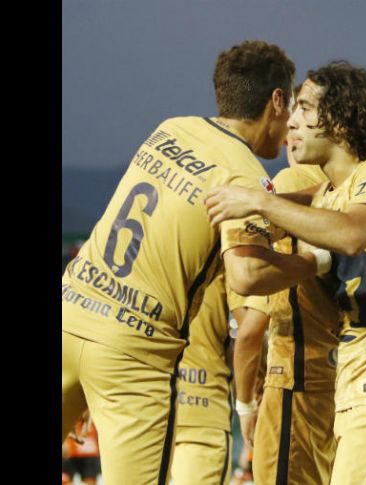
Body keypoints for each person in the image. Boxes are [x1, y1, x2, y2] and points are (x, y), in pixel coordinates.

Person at [62, 39, 300, 484]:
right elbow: (246, 275)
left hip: (71, 311)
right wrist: (315, 262)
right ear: (277, 100)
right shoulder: (245, 174)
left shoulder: (170, 128)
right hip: (131, 350)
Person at [205, 61, 366, 485]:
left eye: (305, 108)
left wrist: (261, 204)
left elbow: (352, 234)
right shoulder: (328, 193)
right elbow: (247, 274)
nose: (290, 121)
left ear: (342, 117)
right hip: (350, 389)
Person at [240, 135, 340, 485]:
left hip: (296, 372)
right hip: (347, 377)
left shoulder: (285, 183)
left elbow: (251, 327)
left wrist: (245, 405)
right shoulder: (364, 185)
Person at [171, 272, 270, 485]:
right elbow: (250, 333)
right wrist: (248, 401)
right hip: (201, 410)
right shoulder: (227, 259)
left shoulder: (145, 250)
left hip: (145, 404)